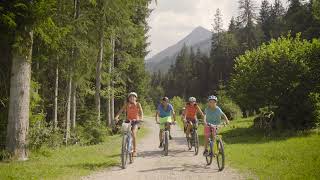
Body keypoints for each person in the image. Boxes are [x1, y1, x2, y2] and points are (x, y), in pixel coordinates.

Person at [115, 92, 143, 157]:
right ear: (129, 98)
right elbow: (121, 111)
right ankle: (125, 143)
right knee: (125, 132)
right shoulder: (127, 104)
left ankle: (135, 151)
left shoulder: (138, 104)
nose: (132, 98)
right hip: (128, 120)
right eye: (130, 97)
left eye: (133, 97)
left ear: (136, 98)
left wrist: (141, 118)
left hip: (135, 121)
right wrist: (116, 117)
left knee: (133, 133)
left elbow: (141, 112)